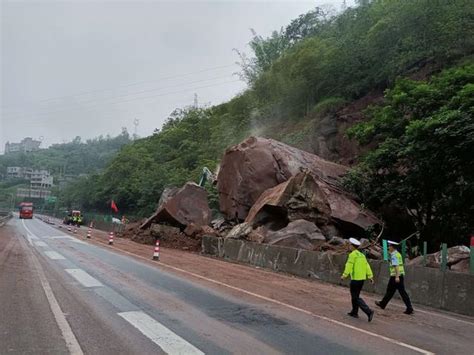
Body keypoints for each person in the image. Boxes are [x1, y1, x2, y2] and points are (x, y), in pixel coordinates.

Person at [375, 240, 414, 315]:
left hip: (396, 276)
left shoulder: (394, 255)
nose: (388, 247)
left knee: (399, 292)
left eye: (389, 246)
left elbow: (396, 266)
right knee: (391, 291)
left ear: (393, 247)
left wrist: (397, 277)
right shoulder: (397, 254)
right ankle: (383, 303)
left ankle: (409, 308)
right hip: (398, 275)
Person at [341, 238, 375, 322]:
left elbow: (349, 265)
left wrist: (344, 275)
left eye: (349, 245)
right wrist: (370, 276)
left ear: (352, 246)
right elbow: (367, 266)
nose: (349, 246)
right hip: (361, 279)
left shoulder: (352, 255)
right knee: (355, 296)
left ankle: (368, 311)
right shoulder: (362, 255)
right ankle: (354, 312)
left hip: (355, 279)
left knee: (355, 297)